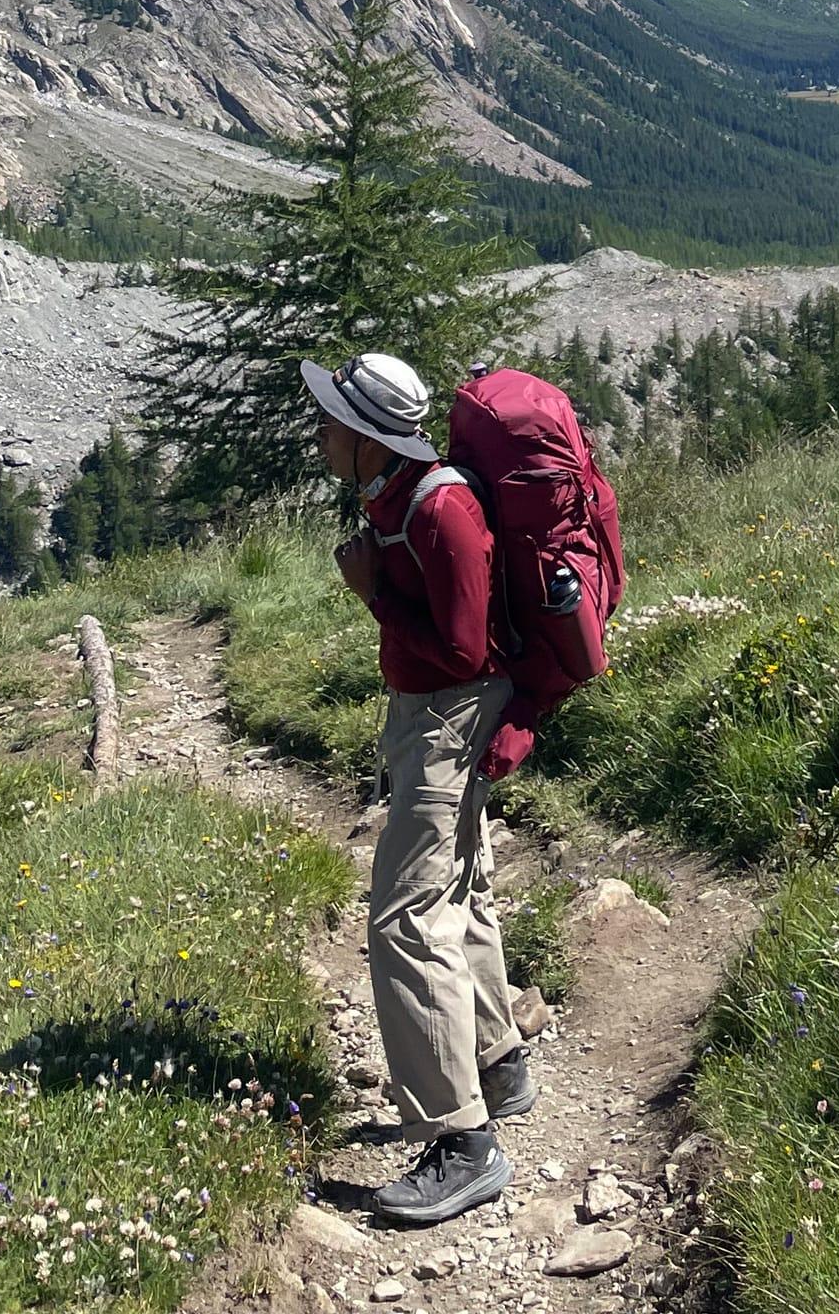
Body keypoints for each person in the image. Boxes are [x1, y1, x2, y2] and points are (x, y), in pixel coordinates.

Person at [303, 346, 533, 1229]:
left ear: (370, 438)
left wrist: (373, 596)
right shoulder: (397, 496)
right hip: (432, 715)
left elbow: (468, 651)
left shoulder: (441, 512)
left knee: (403, 917)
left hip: (449, 717)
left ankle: (463, 1142)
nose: (319, 431)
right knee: (459, 890)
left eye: (332, 420)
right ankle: (500, 1064)